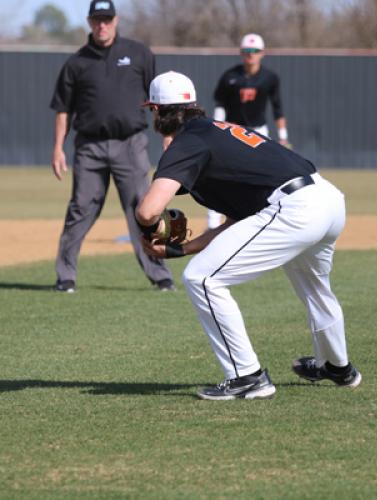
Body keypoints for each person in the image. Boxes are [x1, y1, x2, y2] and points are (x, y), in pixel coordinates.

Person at [136, 71, 361, 401]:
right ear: (192, 106)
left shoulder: (188, 141)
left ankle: (247, 376)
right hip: (326, 198)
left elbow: (147, 210)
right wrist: (182, 249)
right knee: (315, 289)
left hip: (295, 209)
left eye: (152, 110)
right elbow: (236, 224)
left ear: (157, 111)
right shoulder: (217, 132)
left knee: (202, 279)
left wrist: (149, 233)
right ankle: (337, 367)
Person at [50, 0, 174, 293]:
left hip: (130, 144)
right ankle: (65, 276)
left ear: (116, 21)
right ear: (89, 22)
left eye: (106, 19)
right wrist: (58, 148)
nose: (101, 25)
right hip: (90, 148)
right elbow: (63, 109)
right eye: (96, 20)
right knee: (81, 209)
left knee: (144, 209)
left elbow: (157, 98)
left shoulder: (138, 54)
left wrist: (167, 135)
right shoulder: (77, 62)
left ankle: (160, 275)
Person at [207, 33, 291, 230]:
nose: (250, 55)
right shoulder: (230, 77)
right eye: (246, 51)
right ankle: (212, 223)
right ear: (240, 53)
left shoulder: (270, 78)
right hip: (232, 132)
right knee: (218, 174)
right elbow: (220, 103)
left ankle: (264, 219)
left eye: (254, 51)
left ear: (262, 53)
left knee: (265, 175)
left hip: (259, 132)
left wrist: (283, 137)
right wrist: (217, 130)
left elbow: (277, 108)